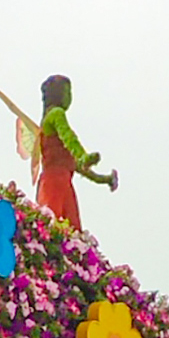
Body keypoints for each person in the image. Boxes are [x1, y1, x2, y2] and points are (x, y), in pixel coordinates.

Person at [37, 75, 117, 230]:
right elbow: (69, 137)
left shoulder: (59, 146)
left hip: (63, 183)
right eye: (67, 91)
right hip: (54, 182)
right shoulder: (56, 114)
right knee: (51, 224)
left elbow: (79, 166)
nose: (69, 97)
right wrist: (83, 156)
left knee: (71, 230)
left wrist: (104, 179)